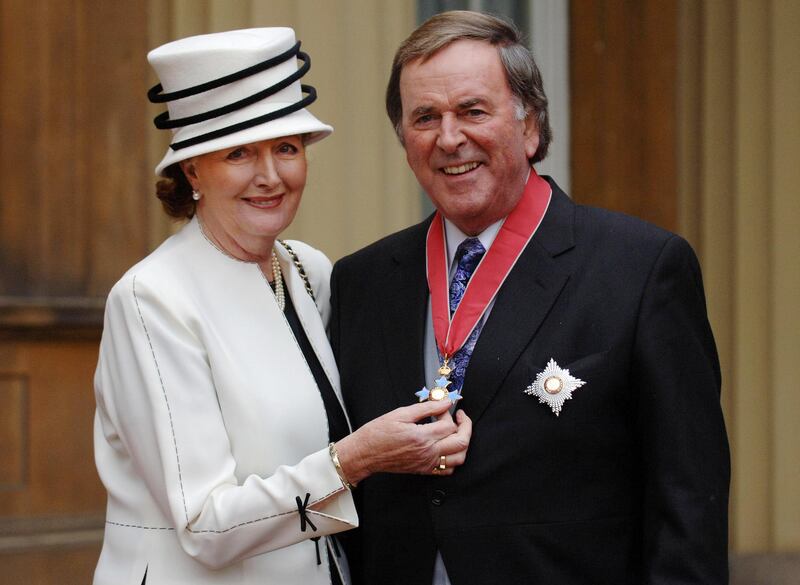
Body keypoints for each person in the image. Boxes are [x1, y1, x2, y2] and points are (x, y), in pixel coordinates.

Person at [330, 11, 730, 585]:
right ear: (404, 140)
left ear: (530, 127)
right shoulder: (362, 281)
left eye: (472, 111)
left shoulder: (640, 269)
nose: (449, 138)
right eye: (425, 118)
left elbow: (689, 499)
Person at [92, 27, 471, 585]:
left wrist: (426, 439)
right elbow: (204, 525)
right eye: (239, 153)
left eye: (286, 149)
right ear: (193, 170)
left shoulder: (307, 271)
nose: (270, 176)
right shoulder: (152, 300)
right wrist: (357, 459)